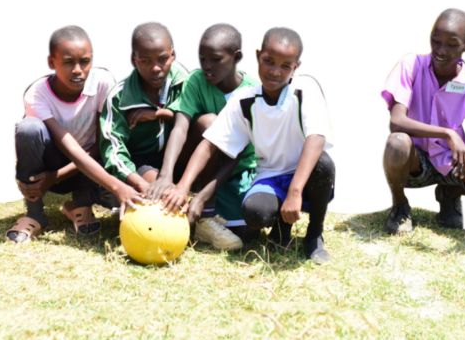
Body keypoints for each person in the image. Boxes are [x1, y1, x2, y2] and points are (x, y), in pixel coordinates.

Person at [164, 26, 338, 265]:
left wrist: (296, 191)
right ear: (257, 56)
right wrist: (183, 187)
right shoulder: (244, 99)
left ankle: (314, 234)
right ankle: (280, 227)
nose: (275, 71)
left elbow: (317, 137)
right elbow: (210, 144)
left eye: (285, 66)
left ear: (295, 67)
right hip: (271, 176)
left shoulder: (305, 87)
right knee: (255, 214)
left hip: (304, 175)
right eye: (269, 61)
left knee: (324, 164)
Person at [378, 7, 465, 234]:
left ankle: (450, 194)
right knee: (396, 142)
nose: (441, 50)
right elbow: (396, 122)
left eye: (452, 44)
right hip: (414, 161)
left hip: (453, 163)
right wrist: (448, 133)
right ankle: (400, 204)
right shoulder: (411, 65)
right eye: (435, 41)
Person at [9, 25, 144, 242]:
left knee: (124, 196)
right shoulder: (37, 94)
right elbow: (68, 146)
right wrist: (52, 175)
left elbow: (103, 145)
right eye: (68, 62)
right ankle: (35, 213)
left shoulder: (102, 81)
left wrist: (56, 178)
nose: (78, 70)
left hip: (87, 167)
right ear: (51, 62)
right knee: (27, 129)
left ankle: (80, 202)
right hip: (50, 166)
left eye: (85, 61)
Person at [144, 22, 259, 251]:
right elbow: (180, 128)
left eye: (215, 59)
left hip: (234, 168)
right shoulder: (196, 80)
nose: (207, 66)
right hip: (201, 163)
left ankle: (204, 205)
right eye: (202, 59)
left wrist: (203, 196)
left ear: (236, 57)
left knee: (248, 233)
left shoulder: (251, 93)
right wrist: (166, 176)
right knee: (209, 122)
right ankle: (204, 214)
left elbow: (235, 155)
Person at [99, 20, 189, 203]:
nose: (156, 68)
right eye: (146, 61)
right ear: (133, 60)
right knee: (161, 197)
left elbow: (196, 119)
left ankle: (210, 200)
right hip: (143, 162)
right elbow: (113, 149)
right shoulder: (119, 96)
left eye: (163, 59)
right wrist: (141, 184)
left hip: (181, 157)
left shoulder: (185, 83)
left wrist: (160, 114)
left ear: (172, 55)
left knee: (205, 123)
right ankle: (103, 194)